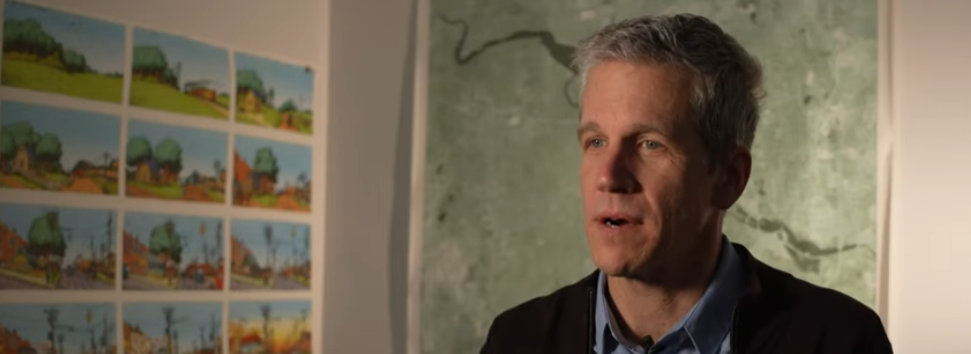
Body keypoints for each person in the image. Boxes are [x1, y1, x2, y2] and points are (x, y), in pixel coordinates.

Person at [478, 14, 893, 354]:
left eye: (650, 144)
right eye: (596, 142)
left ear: (729, 178)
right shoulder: (517, 341)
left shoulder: (837, 340)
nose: (608, 176)